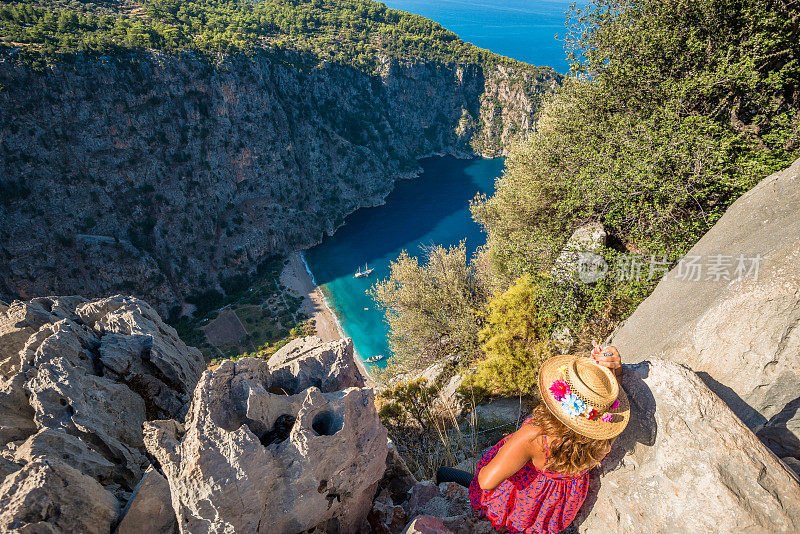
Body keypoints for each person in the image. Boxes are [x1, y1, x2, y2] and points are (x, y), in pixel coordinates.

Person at [437, 345, 629, 534]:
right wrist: (615, 373)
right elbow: (610, 404)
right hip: (546, 511)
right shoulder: (600, 439)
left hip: (517, 504)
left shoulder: (535, 436)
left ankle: (441, 475)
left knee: (454, 477)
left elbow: (486, 482)